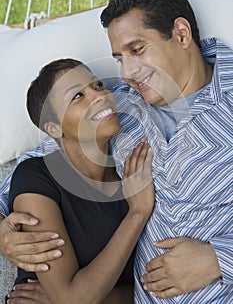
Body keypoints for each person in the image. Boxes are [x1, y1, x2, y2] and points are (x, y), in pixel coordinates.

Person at [0, 0, 233, 303]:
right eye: (120, 58)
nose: (127, 73)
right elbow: (35, 171)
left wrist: (219, 258)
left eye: (137, 50)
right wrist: (2, 232)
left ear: (181, 34)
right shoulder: (118, 106)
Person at [4, 58, 154, 304]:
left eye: (97, 86)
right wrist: (137, 215)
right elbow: (72, 299)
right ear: (53, 128)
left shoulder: (132, 175)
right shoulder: (36, 176)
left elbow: (151, 289)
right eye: (77, 96)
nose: (99, 97)